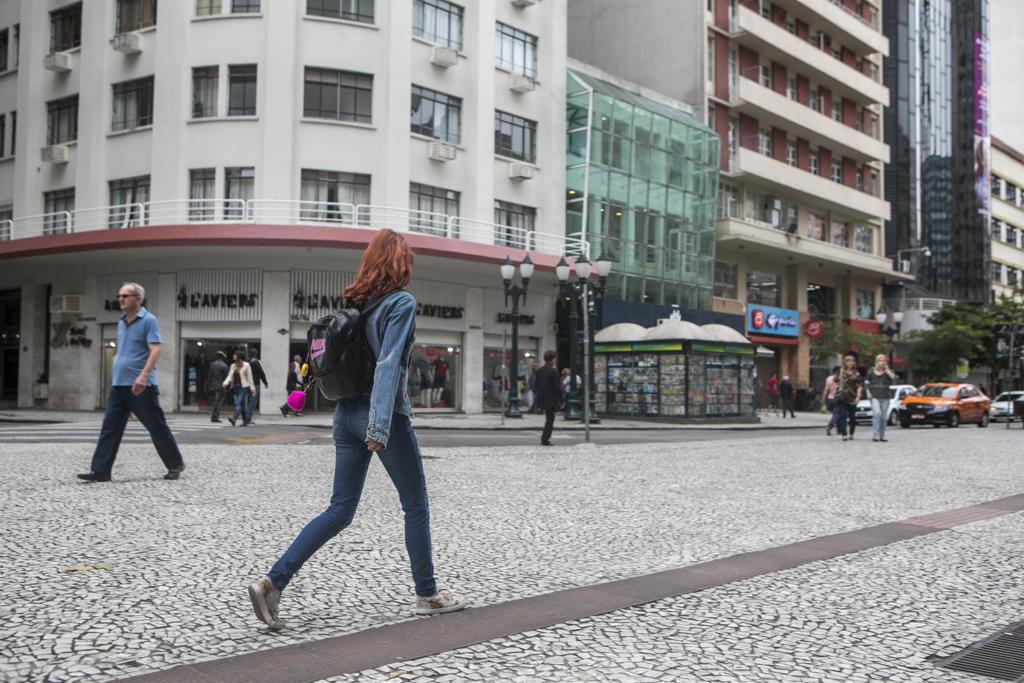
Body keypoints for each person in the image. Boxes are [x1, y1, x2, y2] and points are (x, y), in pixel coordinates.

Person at [248, 229, 466, 629]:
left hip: (345, 414)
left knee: (339, 510)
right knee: (415, 505)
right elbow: (387, 364)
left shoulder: (356, 302)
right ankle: (428, 594)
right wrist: (381, 427)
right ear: (402, 263)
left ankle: (273, 583)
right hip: (379, 415)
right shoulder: (401, 303)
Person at [78, 282, 186, 483]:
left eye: (125, 296)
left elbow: (155, 350)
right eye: (119, 296)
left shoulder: (148, 320)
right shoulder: (121, 321)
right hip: (119, 385)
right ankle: (101, 470)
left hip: (141, 387)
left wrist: (143, 376)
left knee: (156, 426)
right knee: (110, 427)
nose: (120, 299)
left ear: (138, 299)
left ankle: (175, 464)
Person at [865, 354, 896, 442]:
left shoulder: (889, 371)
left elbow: (894, 379)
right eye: (880, 360)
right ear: (877, 362)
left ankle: (882, 435)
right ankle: (876, 435)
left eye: (884, 360)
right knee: (877, 413)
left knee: (883, 417)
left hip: (886, 396)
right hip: (875, 396)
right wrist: (868, 392)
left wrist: (887, 371)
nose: (883, 362)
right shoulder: (871, 371)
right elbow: (867, 382)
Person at [535, 351, 561, 446]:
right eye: (554, 358)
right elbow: (557, 387)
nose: (555, 360)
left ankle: (545, 438)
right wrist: (558, 398)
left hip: (542, 398)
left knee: (548, 420)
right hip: (550, 399)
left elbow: (536, 385)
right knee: (550, 420)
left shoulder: (540, 370)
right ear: (552, 359)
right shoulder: (553, 371)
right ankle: (545, 439)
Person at [223, 353, 256, 427]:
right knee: (241, 405)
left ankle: (234, 418)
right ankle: (245, 421)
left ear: (239, 358)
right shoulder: (233, 365)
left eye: (235, 356)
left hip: (244, 387)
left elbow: (249, 378)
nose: (233, 356)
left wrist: (252, 389)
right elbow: (230, 376)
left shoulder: (246, 365)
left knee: (238, 402)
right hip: (235, 387)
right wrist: (226, 382)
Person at [836, 355, 862, 442]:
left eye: (852, 361)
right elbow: (834, 381)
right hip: (842, 397)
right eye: (848, 361)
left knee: (852, 417)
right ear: (845, 362)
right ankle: (844, 434)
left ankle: (851, 433)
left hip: (852, 397)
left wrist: (858, 397)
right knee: (843, 415)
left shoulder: (857, 374)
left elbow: (859, 387)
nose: (850, 363)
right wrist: (840, 376)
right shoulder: (841, 371)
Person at [246, 353, 270, 424]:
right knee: (253, 401)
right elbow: (261, 372)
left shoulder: (247, 362)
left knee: (249, 401)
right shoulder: (256, 362)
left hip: (247, 384)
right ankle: (248, 418)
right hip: (255, 384)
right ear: (256, 355)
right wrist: (265, 382)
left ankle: (247, 417)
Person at [208, 351, 229, 423]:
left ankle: (214, 416)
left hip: (214, 385)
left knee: (216, 400)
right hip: (221, 385)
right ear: (223, 357)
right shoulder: (224, 366)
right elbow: (227, 377)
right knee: (219, 401)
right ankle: (215, 416)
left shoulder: (212, 364)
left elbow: (210, 376)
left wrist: (209, 385)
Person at [823, 365, 840, 436]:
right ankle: (829, 426)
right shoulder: (840, 378)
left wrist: (823, 400)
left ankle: (840, 430)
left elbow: (826, 390)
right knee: (837, 414)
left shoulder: (829, 379)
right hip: (838, 398)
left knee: (837, 414)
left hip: (830, 399)